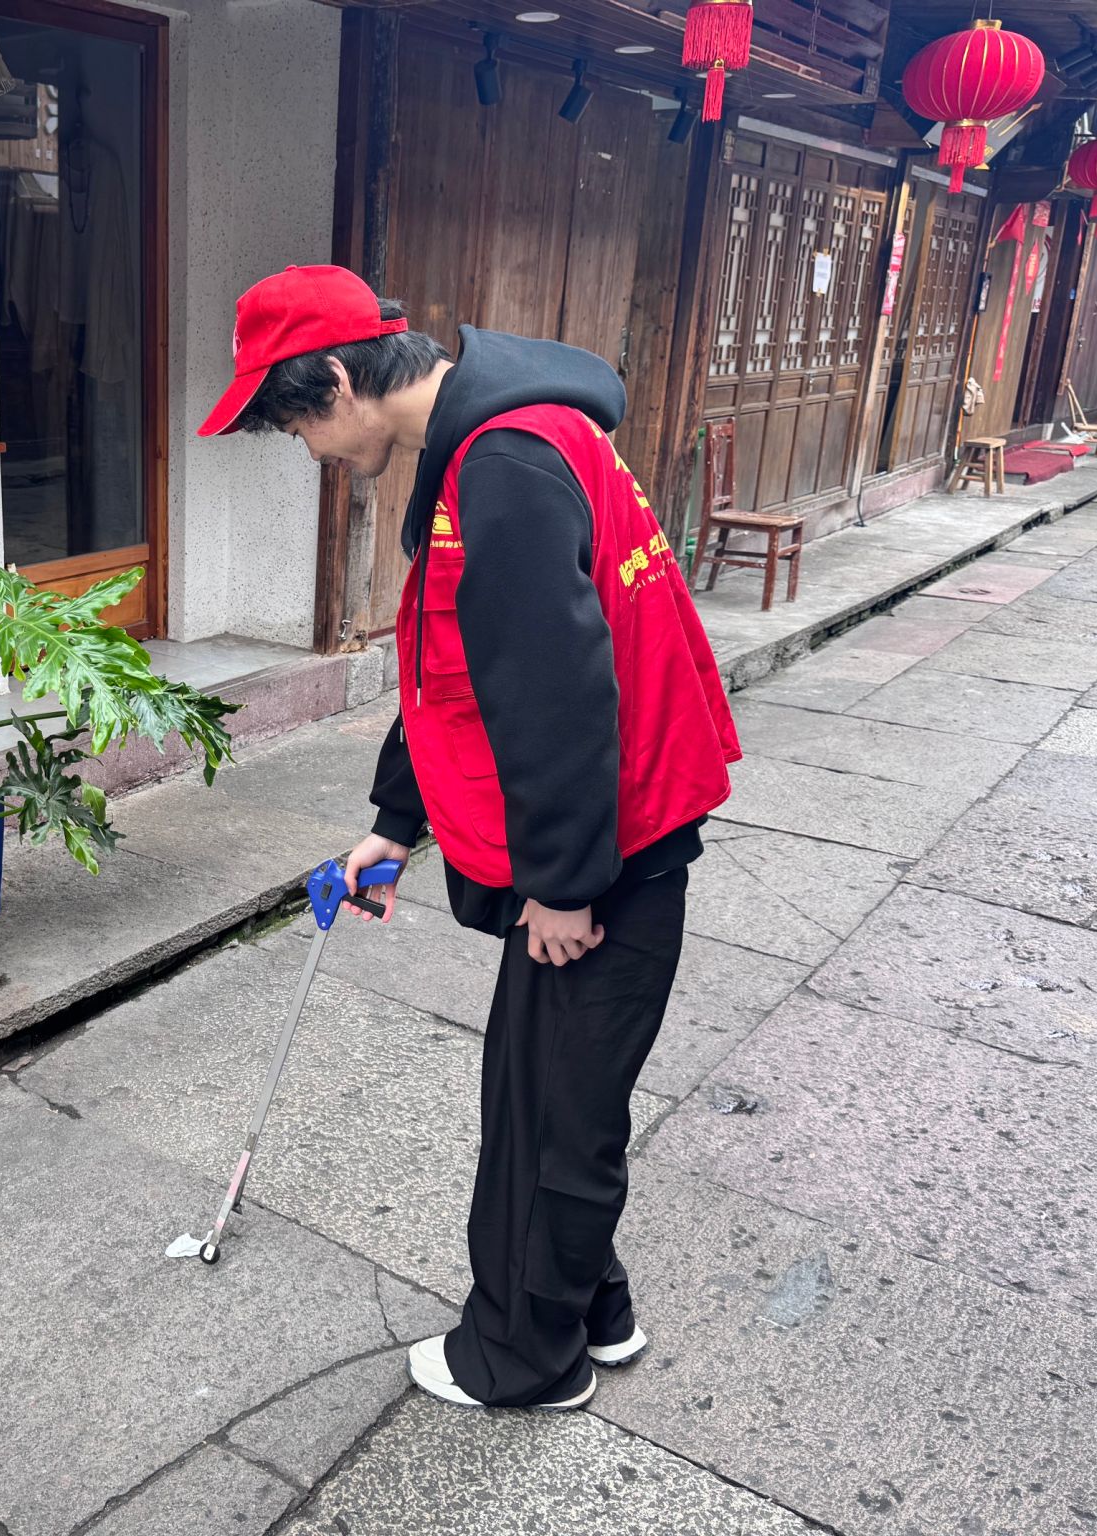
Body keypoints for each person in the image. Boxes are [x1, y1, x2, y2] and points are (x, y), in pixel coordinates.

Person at [197, 265, 740, 1411]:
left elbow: (553, 693)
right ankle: (594, 1311)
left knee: (552, 1117)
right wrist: (394, 826)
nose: (308, 451)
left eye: (298, 424)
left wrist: (563, 884)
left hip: (611, 848)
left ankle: (525, 1357)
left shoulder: (503, 464)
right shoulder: (491, 443)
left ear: (337, 379)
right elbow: (454, 663)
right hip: (616, 831)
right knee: (547, 1087)